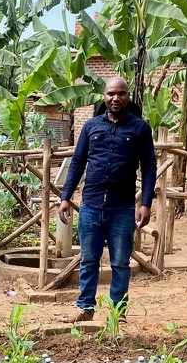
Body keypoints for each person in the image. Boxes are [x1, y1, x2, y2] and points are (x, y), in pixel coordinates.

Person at [58, 77, 156, 322]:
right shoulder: (91, 127)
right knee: (89, 260)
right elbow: (77, 163)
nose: (116, 98)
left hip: (122, 208)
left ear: (127, 96)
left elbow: (150, 167)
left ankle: (118, 312)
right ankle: (85, 308)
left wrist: (145, 203)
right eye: (111, 93)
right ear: (104, 96)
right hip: (90, 205)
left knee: (121, 263)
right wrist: (65, 197)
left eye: (121, 93)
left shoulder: (140, 128)